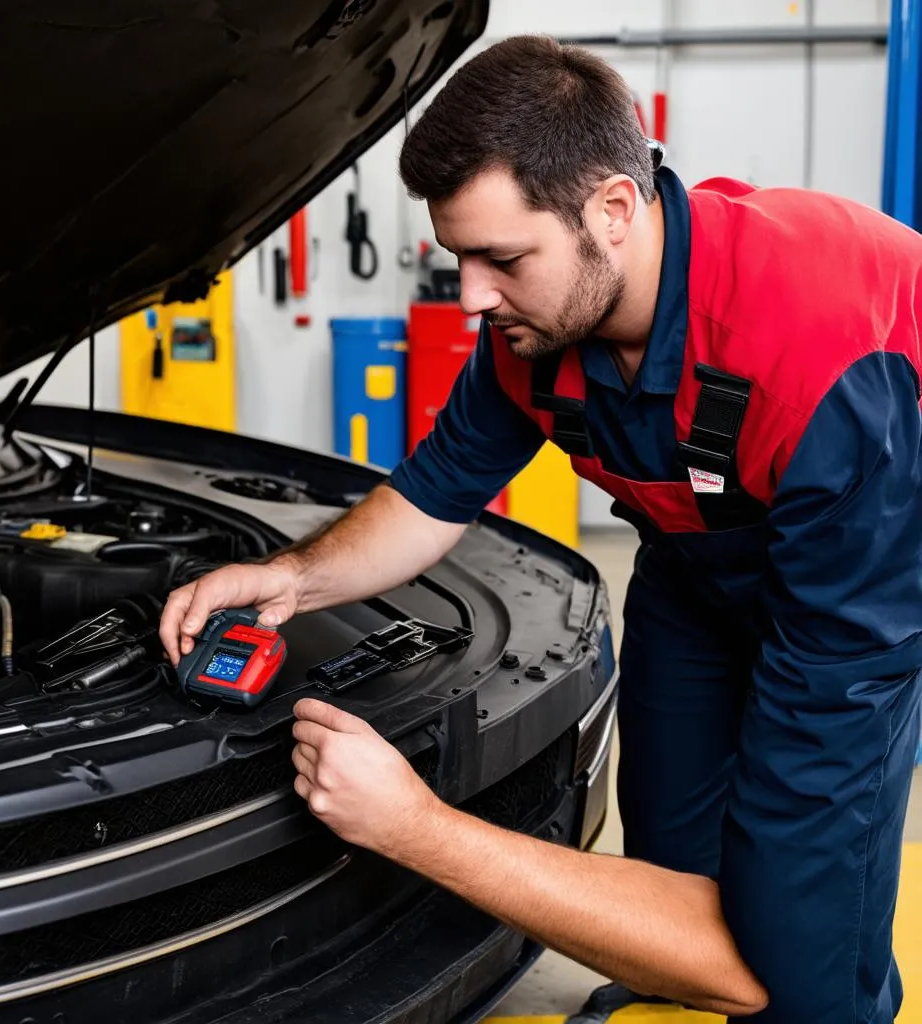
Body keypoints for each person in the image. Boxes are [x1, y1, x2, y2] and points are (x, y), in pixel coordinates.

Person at [160, 34, 922, 1023]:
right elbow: (436, 489)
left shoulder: (821, 360)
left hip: (854, 587)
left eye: (501, 258)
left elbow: (834, 642)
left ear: (612, 210)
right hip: (693, 570)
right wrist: (291, 580)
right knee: (669, 860)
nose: (472, 294)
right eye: (460, 257)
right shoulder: (538, 327)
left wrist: (418, 826)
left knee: (791, 966)